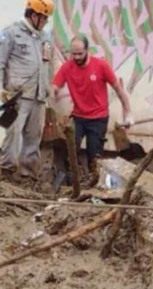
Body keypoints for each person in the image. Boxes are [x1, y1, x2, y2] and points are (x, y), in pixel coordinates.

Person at [52, 34, 132, 185]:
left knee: (94, 157)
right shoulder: (67, 67)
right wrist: (49, 94)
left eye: (80, 54)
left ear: (87, 50)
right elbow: (54, 87)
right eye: (73, 54)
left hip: (98, 118)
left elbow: (119, 90)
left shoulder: (101, 66)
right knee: (70, 151)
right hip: (78, 117)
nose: (76, 57)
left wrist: (128, 113)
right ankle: (71, 184)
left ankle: (94, 185)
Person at [0, 0, 54, 182]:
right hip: (17, 96)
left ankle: (28, 176)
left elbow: (48, 65)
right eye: (43, 17)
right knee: (13, 135)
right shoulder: (11, 33)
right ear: (33, 15)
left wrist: (49, 89)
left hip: (39, 96)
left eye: (47, 18)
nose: (45, 22)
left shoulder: (45, 38)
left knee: (34, 137)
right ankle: (7, 173)